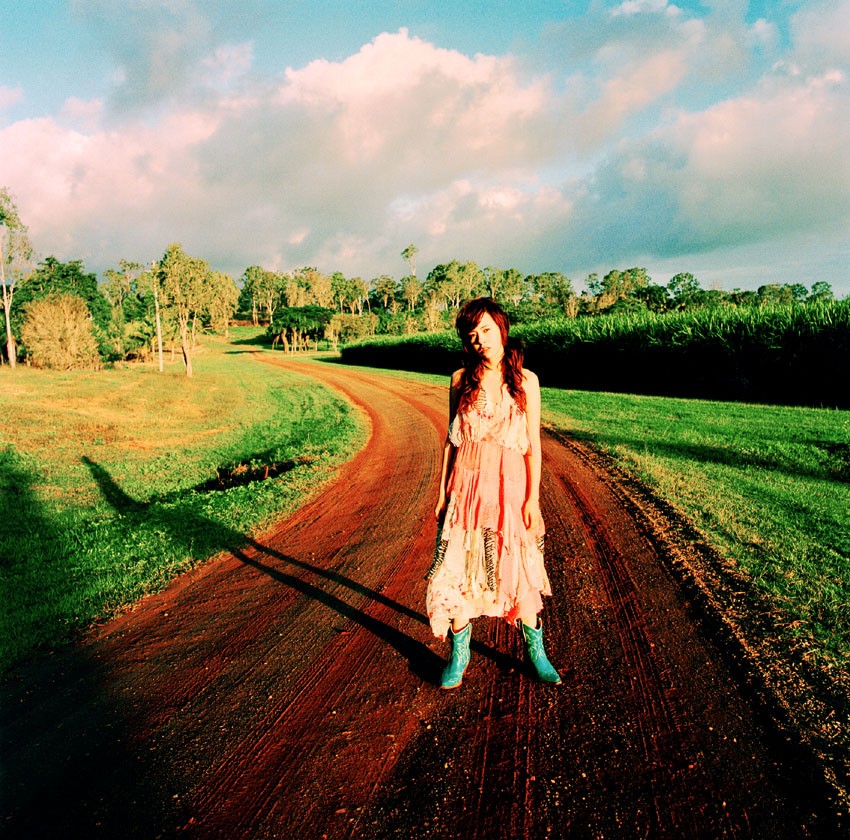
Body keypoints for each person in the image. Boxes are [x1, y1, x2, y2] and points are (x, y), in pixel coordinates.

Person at [426, 297, 561, 689]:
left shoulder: (527, 381)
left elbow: (533, 445)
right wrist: (442, 493)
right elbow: (451, 440)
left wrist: (533, 500)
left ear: (501, 329)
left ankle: (536, 652)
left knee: (517, 564)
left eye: (485, 330)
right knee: (459, 565)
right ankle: (459, 654)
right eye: (472, 334)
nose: (480, 339)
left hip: (509, 486)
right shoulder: (459, 379)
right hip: (465, 486)